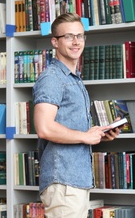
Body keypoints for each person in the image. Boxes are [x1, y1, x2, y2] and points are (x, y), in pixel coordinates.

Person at [32, 12, 121, 217]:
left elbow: (69, 127)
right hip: (63, 181)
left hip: (76, 180)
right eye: (69, 36)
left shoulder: (74, 79)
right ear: (55, 42)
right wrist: (84, 136)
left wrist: (98, 133)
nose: (76, 42)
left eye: (80, 36)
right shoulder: (52, 78)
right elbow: (44, 127)